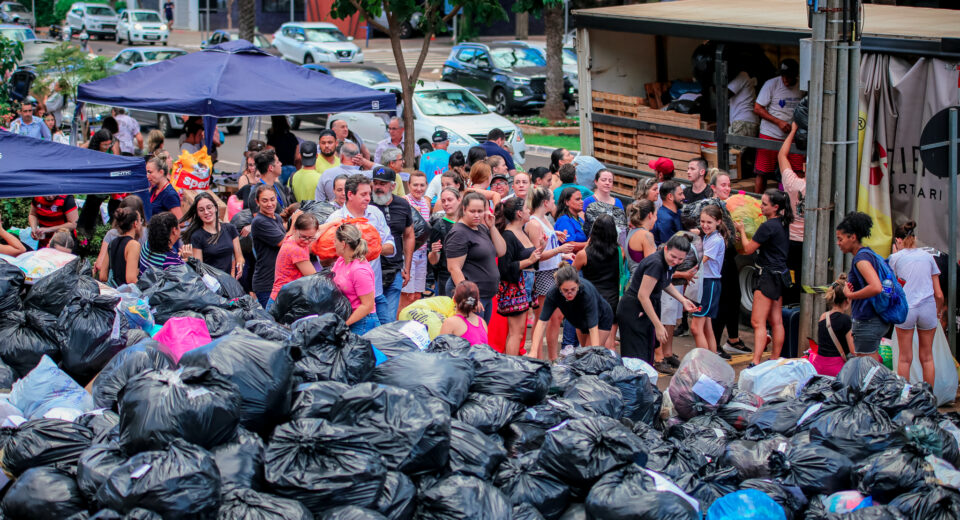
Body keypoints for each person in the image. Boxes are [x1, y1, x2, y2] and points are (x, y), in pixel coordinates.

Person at [618, 234, 698, 363]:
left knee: (647, 354)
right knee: (637, 359)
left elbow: (664, 282)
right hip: (634, 310)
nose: (676, 261)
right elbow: (643, 296)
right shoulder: (656, 263)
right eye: (673, 256)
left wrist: (683, 300)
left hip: (647, 310)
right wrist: (658, 325)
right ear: (665, 249)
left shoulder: (670, 262)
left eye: (680, 259)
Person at [326, 174, 397, 320]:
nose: (368, 198)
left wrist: (372, 249)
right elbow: (325, 259)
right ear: (350, 195)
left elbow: (391, 247)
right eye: (363, 194)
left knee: (387, 334)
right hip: (348, 299)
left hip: (376, 292)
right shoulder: (335, 219)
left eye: (369, 194)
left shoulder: (376, 214)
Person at [735, 189, 793, 367]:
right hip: (779, 276)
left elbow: (748, 249)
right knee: (776, 321)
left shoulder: (767, 226)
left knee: (757, 321)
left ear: (775, 207)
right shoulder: (783, 223)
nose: (761, 206)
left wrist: (742, 231)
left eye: (765, 204)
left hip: (767, 276)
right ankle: (775, 359)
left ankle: (755, 361)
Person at [889, 220, 944, 386]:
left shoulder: (894, 258)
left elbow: (889, 288)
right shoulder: (928, 257)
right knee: (927, 357)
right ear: (915, 237)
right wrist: (938, 312)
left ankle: (905, 400)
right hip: (927, 308)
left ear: (898, 240)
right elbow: (939, 294)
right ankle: (927, 400)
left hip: (906, 310)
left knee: (905, 359)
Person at [525, 187, 575, 360]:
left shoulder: (546, 219)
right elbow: (537, 256)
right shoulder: (533, 223)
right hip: (543, 274)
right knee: (543, 318)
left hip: (553, 271)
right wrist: (559, 250)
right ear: (545, 203)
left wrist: (562, 253)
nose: (555, 202)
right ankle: (538, 358)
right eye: (552, 199)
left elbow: (550, 247)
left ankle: (553, 357)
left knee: (557, 316)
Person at [445, 192, 507, 322]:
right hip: (472, 297)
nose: (477, 215)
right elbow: (454, 268)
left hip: (485, 295)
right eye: (472, 211)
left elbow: (501, 251)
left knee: (482, 337)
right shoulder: (459, 233)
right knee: (472, 338)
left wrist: (492, 227)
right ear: (464, 209)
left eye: (481, 211)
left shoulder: (481, 228)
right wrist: (469, 298)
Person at [835, 211, 888, 359]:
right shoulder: (867, 254)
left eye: (840, 239)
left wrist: (850, 295)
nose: (838, 243)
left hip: (868, 320)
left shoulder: (861, 259)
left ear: (853, 237)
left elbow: (876, 287)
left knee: (867, 369)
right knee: (870, 366)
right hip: (872, 320)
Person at [529, 265, 614, 357]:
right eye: (565, 290)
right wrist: (533, 351)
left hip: (601, 318)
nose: (570, 293)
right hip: (579, 320)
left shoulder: (586, 292)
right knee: (583, 355)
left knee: (589, 355)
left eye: (573, 289)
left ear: (578, 284)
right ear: (559, 287)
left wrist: (594, 355)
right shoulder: (553, 293)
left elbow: (593, 329)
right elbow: (541, 323)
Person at [495, 197, 539, 355]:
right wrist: (529, 260)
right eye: (527, 209)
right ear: (519, 213)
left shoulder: (522, 230)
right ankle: (511, 367)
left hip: (525, 286)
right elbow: (505, 267)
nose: (529, 211)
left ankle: (513, 365)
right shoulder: (508, 235)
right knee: (516, 333)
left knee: (519, 332)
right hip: (515, 288)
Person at [710, 171, 748, 355]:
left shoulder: (728, 207)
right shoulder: (713, 208)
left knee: (734, 298)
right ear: (713, 188)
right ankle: (715, 345)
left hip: (730, 258)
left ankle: (733, 339)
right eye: (723, 185)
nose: (727, 188)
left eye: (729, 185)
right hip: (719, 262)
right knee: (722, 302)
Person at [370, 167, 414, 323]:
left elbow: (409, 236)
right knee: (373, 319)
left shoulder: (402, 205)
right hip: (370, 272)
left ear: (393, 186)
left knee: (388, 320)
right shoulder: (366, 204)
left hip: (394, 269)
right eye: (375, 183)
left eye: (383, 183)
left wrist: (407, 267)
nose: (378, 187)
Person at [754, 59, 804, 193]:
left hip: (792, 135)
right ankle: (757, 202)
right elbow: (758, 108)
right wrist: (778, 122)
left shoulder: (802, 86)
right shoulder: (772, 84)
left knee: (798, 170)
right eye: (783, 76)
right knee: (762, 171)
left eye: (788, 76)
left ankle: (798, 201)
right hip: (770, 133)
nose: (785, 80)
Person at [573, 214, 621, 351]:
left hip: (588, 300)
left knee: (586, 348)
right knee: (607, 344)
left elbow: (571, 274)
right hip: (611, 301)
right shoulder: (619, 252)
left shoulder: (584, 254)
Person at [690, 205, 727, 354]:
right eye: (702, 221)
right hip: (707, 283)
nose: (705, 225)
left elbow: (700, 261)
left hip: (708, 284)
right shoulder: (708, 237)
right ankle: (712, 361)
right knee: (706, 326)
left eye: (709, 222)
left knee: (695, 327)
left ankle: (704, 364)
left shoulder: (715, 240)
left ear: (718, 222)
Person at [332, 222, 380, 335]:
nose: (333, 244)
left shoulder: (359, 270)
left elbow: (367, 305)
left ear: (343, 244)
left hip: (362, 323)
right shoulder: (341, 261)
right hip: (348, 318)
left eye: (335, 241)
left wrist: (345, 324)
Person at [181, 192, 243, 277]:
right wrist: (191, 259)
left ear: (215, 208)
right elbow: (200, 269)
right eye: (201, 210)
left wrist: (240, 265)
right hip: (212, 284)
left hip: (230, 281)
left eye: (209, 207)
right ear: (198, 214)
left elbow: (239, 256)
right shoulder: (197, 236)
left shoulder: (230, 228)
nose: (206, 212)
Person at [779, 122, 807, 305]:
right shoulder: (824, 190)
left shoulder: (793, 184)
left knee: (791, 280)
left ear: (804, 167)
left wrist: (794, 130)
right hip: (812, 244)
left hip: (792, 240)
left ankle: (792, 311)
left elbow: (782, 155)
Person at [268, 213, 320, 310]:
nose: (306, 241)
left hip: (279, 297)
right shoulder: (297, 250)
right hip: (283, 303)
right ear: (295, 230)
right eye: (304, 237)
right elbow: (314, 278)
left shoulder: (290, 238)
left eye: (311, 238)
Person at [250, 185, 288, 308]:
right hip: (266, 283)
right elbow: (284, 243)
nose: (270, 204)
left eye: (272, 199)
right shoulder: (259, 221)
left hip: (278, 279)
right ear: (257, 202)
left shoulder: (276, 217)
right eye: (264, 200)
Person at [401, 171, 431, 310]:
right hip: (409, 254)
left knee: (417, 295)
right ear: (409, 185)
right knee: (406, 295)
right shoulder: (405, 201)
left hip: (422, 253)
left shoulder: (426, 202)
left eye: (422, 185)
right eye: (415, 185)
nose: (419, 188)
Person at [812, 275, 853, 377]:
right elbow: (854, 351)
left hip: (818, 367)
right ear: (847, 299)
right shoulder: (846, 320)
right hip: (836, 369)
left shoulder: (823, 316)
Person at [428, 187, 461, 296]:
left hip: (467, 275)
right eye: (443, 201)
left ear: (459, 200)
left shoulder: (466, 222)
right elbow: (433, 261)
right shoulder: (438, 226)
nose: (446, 204)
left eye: (450, 200)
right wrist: (434, 252)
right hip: (446, 278)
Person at [440, 281, 489, 346]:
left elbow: (441, 351)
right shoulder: (482, 322)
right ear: (476, 302)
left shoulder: (450, 323)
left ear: (454, 299)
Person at [245, 149, 293, 214]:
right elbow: (259, 221)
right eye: (278, 162)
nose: (281, 164)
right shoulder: (256, 193)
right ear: (271, 168)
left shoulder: (278, 185)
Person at [583, 168, 626, 239]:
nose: (607, 183)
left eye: (610, 181)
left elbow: (622, 226)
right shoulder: (588, 201)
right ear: (596, 182)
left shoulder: (617, 202)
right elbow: (583, 224)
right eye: (603, 180)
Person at [106, 207, 142, 286]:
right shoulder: (133, 245)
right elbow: (131, 279)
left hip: (113, 293)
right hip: (127, 295)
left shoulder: (112, 243)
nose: (141, 223)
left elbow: (103, 276)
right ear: (135, 224)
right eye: (140, 220)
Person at [727, 69, 760, 147]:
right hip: (746, 122)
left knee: (734, 154)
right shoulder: (745, 78)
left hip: (743, 122)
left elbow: (725, 93)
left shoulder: (743, 75)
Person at [625, 199, 658, 274]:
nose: (656, 219)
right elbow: (652, 268)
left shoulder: (632, 231)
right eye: (656, 215)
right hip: (640, 283)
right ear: (650, 215)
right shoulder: (646, 235)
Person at [146, 154, 183, 219]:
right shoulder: (154, 188)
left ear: (161, 172)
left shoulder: (170, 195)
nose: (147, 176)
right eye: (146, 172)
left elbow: (180, 222)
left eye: (150, 172)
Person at [266, 115, 300, 184]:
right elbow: (297, 158)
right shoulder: (292, 137)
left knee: (279, 191)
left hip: (279, 170)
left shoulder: (273, 138)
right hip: (292, 169)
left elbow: (269, 157)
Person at [554, 187, 588, 252]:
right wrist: (590, 245)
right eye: (578, 199)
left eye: (581, 199)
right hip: (569, 260)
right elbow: (569, 245)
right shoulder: (564, 220)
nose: (582, 201)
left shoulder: (579, 219)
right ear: (567, 202)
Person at [653, 180, 684, 246]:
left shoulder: (678, 212)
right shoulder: (665, 219)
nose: (683, 197)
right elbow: (669, 247)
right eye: (680, 194)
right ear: (670, 196)